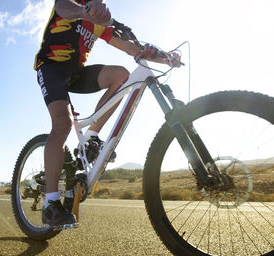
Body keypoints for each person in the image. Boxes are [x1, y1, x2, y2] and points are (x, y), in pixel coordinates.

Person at [34, 0, 182, 228]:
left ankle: (92, 136)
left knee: (121, 75)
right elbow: (63, 7)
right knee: (62, 124)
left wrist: (166, 57)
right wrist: (86, 11)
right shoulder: (76, 4)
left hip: (77, 72)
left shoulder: (101, 22)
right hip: (51, 67)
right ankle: (50, 205)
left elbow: (133, 49)